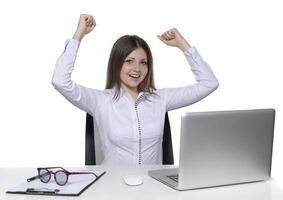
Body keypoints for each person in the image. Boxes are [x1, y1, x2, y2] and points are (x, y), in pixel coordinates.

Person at [52, 14, 219, 165]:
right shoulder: (100, 100)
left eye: (143, 62)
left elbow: (209, 83)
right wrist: (79, 34)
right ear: (117, 63)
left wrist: (183, 45)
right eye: (129, 61)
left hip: (152, 188)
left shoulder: (160, 99)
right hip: (112, 188)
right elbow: (60, 81)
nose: (137, 69)